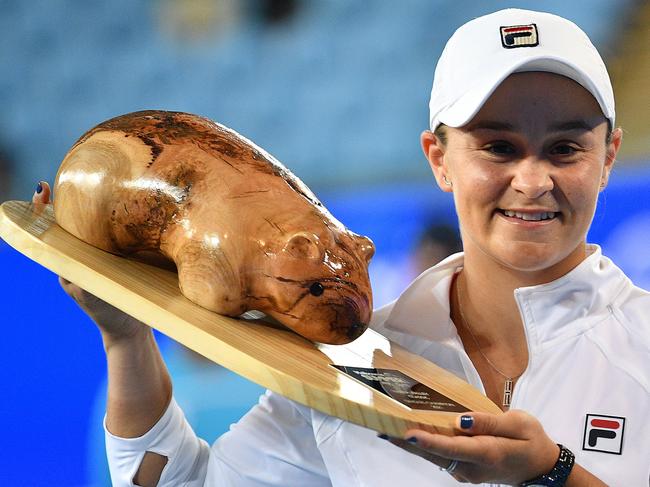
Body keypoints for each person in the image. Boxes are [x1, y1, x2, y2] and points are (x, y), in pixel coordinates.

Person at [33, 8, 649, 486]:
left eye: (566, 148)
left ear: (608, 158)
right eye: (497, 146)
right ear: (439, 159)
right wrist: (125, 338)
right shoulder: (353, 367)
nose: (533, 180)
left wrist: (552, 474)